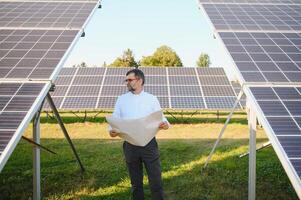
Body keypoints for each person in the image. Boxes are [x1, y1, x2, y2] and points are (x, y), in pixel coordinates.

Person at [109, 68, 170, 200]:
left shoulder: (152, 99)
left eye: (130, 80)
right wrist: (112, 130)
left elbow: (161, 118)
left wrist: (164, 124)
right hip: (130, 145)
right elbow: (115, 118)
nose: (127, 82)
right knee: (135, 182)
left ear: (140, 80)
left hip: (149, 145)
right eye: (126, 80)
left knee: (155, 180)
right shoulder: (121, 99)